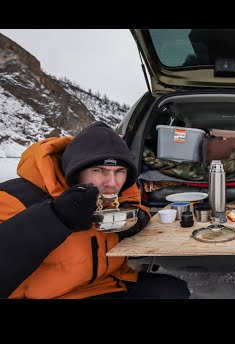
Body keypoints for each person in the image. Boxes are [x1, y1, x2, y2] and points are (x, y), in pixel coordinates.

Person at [0, 121, 191, 299]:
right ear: (75, 171)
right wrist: (56, 218)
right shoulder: (14, 198)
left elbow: (136, 206)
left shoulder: (118, 191)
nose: (112, 182)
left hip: (106, 285)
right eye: (99, 170)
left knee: (172, 291)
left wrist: (137, 219)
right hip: (51, 296)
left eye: (120, 171)